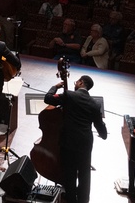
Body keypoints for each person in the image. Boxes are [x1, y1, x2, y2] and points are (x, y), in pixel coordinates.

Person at [44, 74, 108, 203]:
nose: (75, 84)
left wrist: (55, 87)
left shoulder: (69, 96)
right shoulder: (95, 104)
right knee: (84, 173)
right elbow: (101, 128)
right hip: (85, 142)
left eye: (76, 82)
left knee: (70, 172)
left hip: (68, 141)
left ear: (80, 83)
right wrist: (103, 134)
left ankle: (71, 198)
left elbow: (48, 98)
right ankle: (83, 200)